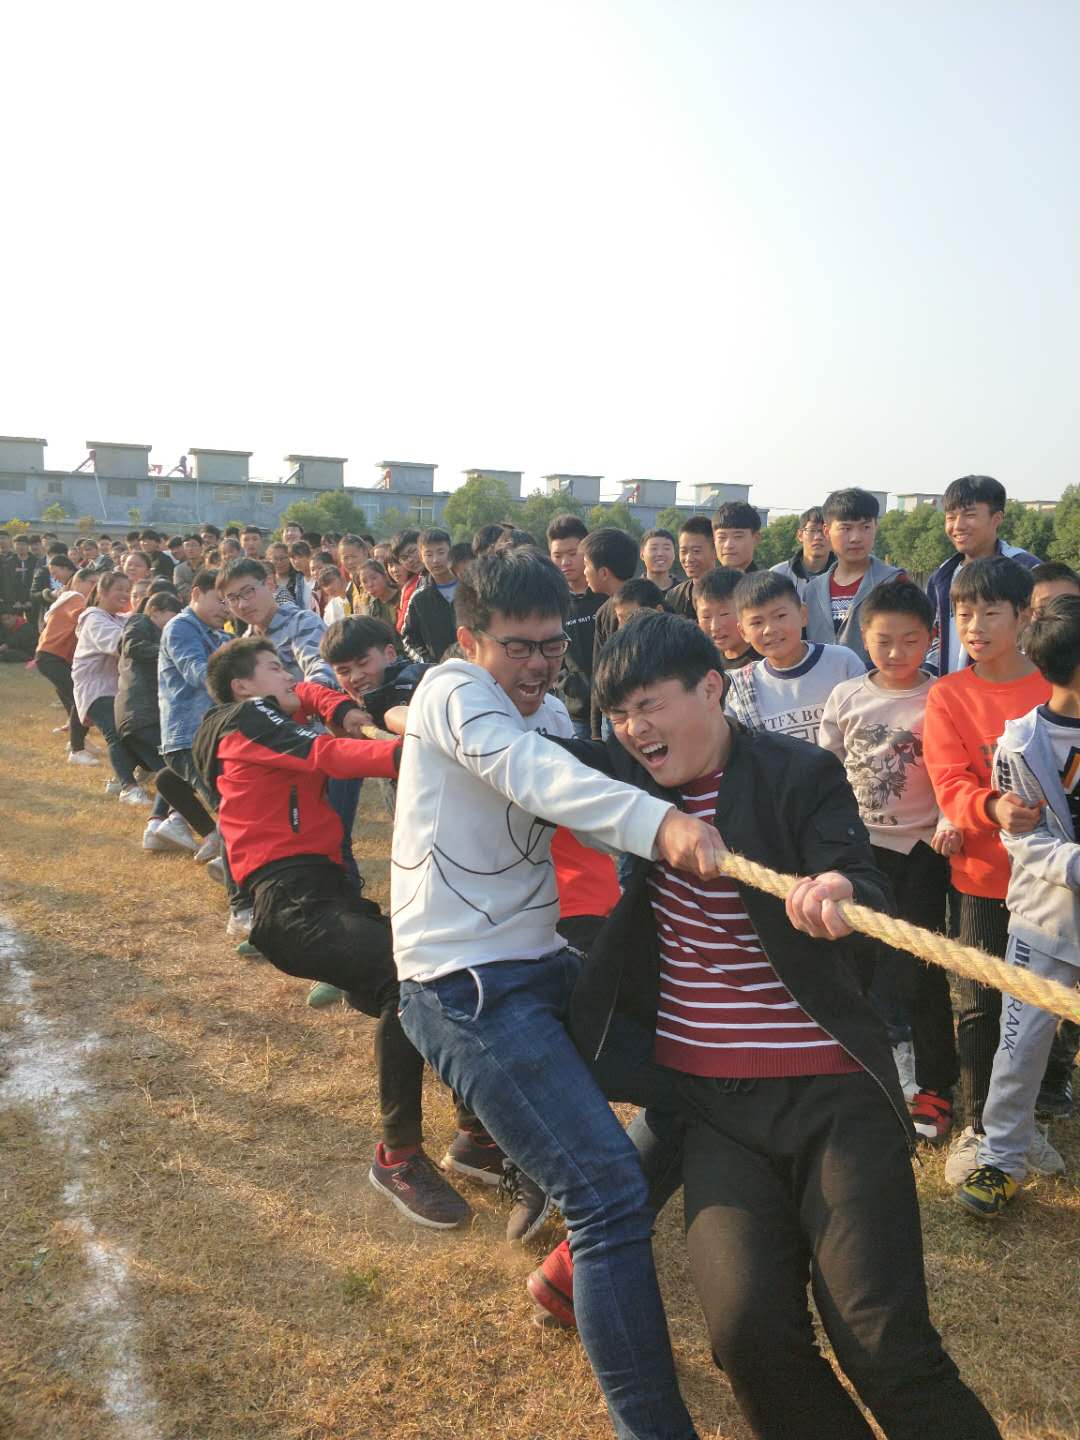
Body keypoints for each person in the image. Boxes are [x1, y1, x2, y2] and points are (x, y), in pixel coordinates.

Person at [526, 610, 1002, 1440]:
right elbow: (506, 754)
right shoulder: (627, 787)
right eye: (619, 713)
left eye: (650, 704)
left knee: (884, 1344)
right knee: (747, 1336)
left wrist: (838, 894)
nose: (634, 729)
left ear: (711, 688)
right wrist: (398, 707)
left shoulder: (796, 772)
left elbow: (858, 874)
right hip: (714, 1110)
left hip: (832, 1092)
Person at [391, 548, 727, 1440]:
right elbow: (536, 774)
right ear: (469, 640)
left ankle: (569, 1276)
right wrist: (663, 824)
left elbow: (583, 762)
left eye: (551, 648)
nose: (539, 666)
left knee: (707, 1079)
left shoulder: (523, 703)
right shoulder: (457, 691)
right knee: (609, 1194)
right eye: (519, 648)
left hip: (539, 962)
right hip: (465, 987)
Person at [192, 635, 471, 1229]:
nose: (291, 676)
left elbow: (313, 696)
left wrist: (340, 706)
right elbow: (326, 754)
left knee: (441, 979)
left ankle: (475, 1135)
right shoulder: (245, 718)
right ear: (244, 685)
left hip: (324, 893)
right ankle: (398, 1158)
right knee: (412, 980)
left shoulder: (257, 713)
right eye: (275, 668)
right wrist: (414, 752)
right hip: (294, 903)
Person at [922, 558, 1056, 1185]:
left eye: (989, 613)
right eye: (963, 614)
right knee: (978, 1003)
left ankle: (1028, 1125)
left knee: (1043, 1007)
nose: (973, 626)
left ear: (1024, 616)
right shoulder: (948, 695)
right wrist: (992, 806)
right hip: (982, 877)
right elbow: (949, 782)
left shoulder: (1059, 685)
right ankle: (978, 1131)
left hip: (1055, 887)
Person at [819, 579, 961, 1142]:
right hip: (858, 852)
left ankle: (935, 1086)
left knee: (923, 971)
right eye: (884, 641)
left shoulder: (944, 697)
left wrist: (951, 818)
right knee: (854, 965)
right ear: (863, 638)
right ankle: (857, 1074)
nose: (897, 652)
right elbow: (824, 772)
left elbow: (959, 773)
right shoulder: (848, 697)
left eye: (910, 640)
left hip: (924, 851)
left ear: (930, 638)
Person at [953, 594, 1080, 1217]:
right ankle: (1001, 1158)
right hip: (1045, 921)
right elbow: (1024, 841)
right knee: (1021, 1042)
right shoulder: (1022, 743)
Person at [217, 558, 362, 887]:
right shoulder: (249, 643)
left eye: (248, 592)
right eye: (232, 599)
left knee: (335, 839)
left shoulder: (301, 622)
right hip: (286, 757)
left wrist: (291, 707)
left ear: (269, 585)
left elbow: (321, 676)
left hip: (324, 744)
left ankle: (353, 911)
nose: (242, 604)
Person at [117, 591, 214, 853]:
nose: (176, 620)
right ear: (156, 611)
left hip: (142, 713)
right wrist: (169, 648)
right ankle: (171, 824)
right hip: (142, 714)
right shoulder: (141, 622)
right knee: (177, 770)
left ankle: (163, 823)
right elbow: (131, 647)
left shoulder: (160, 630)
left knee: (170, 774)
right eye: (173, 613)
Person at [725, 571, 864, 743]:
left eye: (780, 616)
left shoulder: (843, 663)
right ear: (743, 632)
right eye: (757, 623)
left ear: (803, 615)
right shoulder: (741, 688)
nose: (770, 629)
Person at [927, 476, 1040, 675]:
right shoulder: (943, 577)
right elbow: (934, 637)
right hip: (956, 691)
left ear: (996, 519)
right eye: (951, 517)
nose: (958, 526)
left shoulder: (1027, 569)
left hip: (1015, 690)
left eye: (969, 515)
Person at [158, 568, 231, 866]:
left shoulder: (219, 632)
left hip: (203, 733)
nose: (228, 608)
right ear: (196, 594)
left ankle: (212, 836)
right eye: (221, 600)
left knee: (168, 780)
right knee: (228, 805)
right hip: (191, 736)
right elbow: (197, 672)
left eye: (231, 601)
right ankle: (229, 867)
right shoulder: (181, 627)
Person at [71, 570, 150, 806]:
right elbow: (119, 644)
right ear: (102, 592)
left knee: (133, 731)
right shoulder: (94, 617)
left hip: (115, 688)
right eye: (119, 589)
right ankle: (128, 788)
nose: (125, 595)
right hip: (94, 687)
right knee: (116, 733)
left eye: (128, 590)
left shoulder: (120, 618)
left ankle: (119, 779)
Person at [805, 489, 902, 665]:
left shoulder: (894, 582)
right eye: (846, 528)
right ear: (827, 532)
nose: (856, 538)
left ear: (875, 528)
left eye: (865, 527)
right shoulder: (812, 590)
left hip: (876, 688)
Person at [547, 514, 605, 741]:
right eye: (557, 556)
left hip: (611, 709)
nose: (565, 562)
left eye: (573, 554)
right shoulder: (550, 603)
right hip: (573, 711)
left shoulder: (605, 597)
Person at [34, 565, 99, 763]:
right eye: (93, 583)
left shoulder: (69, 597)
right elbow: (81, 617)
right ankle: (76, 749)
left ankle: (78, 740)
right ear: (79, 581)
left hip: (52, 657)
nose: (97, 588)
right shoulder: (75, 598)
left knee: (75, 699)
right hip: (53, 657)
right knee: (80, 700)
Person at [582, 527, 640, 739]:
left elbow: (599, 673)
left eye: (586, 565)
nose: (584, 571)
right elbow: (600, 672)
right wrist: (597, 731)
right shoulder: (603, 613)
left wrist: (596, 732)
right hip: (615, 718)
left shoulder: (648, 604)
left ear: (604, 573)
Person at [401, 528, 458, 663]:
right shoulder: (419, 598)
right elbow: (409, 639)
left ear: (451, 552)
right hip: (438, 673)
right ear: (421, 557)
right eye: (428, 554)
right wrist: (427, 663)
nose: (435, 560)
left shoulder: (471, 589)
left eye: (441, 552)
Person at [692, 567, 760, 671]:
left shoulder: (763, 664)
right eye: (706, 616)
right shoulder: (704, 664)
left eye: (724, 614)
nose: (715, 626)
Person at [771, 505, 834, 599]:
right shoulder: (777, 575)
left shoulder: (843, 574)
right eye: (812, 530)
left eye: (824, 531)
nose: (818, 537)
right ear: (800, 535)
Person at [666, 515, 716, 618]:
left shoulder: (731, 593)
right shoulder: (674, 597)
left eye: (696, 551)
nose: (688, 558)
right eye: (683, 551)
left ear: (715, 551)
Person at [711, 500, 761, 573]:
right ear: (714, 540)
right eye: (722, 537)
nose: (728, 545)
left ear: (756, 539)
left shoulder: (767, 584)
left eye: (738, 536)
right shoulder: (707, 583)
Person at [390, 530, 425, 632]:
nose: (410, 560)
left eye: (413, 551)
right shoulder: (409, 587)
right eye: (404, 558)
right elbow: (402, 627)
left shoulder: (448, 574)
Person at [357, 559, 399, 629]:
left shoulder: (402, 597)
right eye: (364, 581)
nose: (370, 584)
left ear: (385, 576)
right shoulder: (369, 605)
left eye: (374, 578)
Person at [639, 528, 678, 594]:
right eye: (654, 548)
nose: (660, 554)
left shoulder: (685, 592)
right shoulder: (632, 591)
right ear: (642, 555)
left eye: (666, 548)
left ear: (674, 554)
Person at [172, 535, 204, 602]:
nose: (190, 549)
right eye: (187, 546)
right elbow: (179, 587)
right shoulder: (178, 569)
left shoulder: (209, 567)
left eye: (194, 545)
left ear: (201, 547)